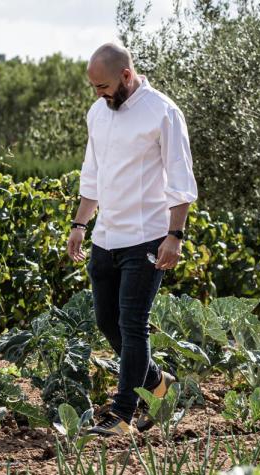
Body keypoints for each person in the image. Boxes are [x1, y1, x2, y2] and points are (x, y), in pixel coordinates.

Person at [67, 43, 198, 436]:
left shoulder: (162, 111)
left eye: (103, 86)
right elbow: (92, 175)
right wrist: (80, 225)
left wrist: (175, 235)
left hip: (147, 236)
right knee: (107, 321)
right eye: (93, 87)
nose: (98, 94)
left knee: (133, 323)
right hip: (106, 236)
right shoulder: (98, 113)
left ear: (126, 75)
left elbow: (180, 179)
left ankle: (122, 414)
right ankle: (158, 382)